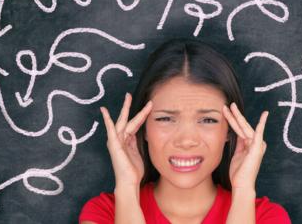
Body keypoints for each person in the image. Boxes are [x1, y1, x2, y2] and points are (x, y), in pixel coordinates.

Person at [79, 38, 290, 224]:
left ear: (230, 130)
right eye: (165, 119)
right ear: (142, 129)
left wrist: (243, 191)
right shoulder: (105, 213)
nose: (187, 140)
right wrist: (127, 187)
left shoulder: (265, 217)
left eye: (208, 120)